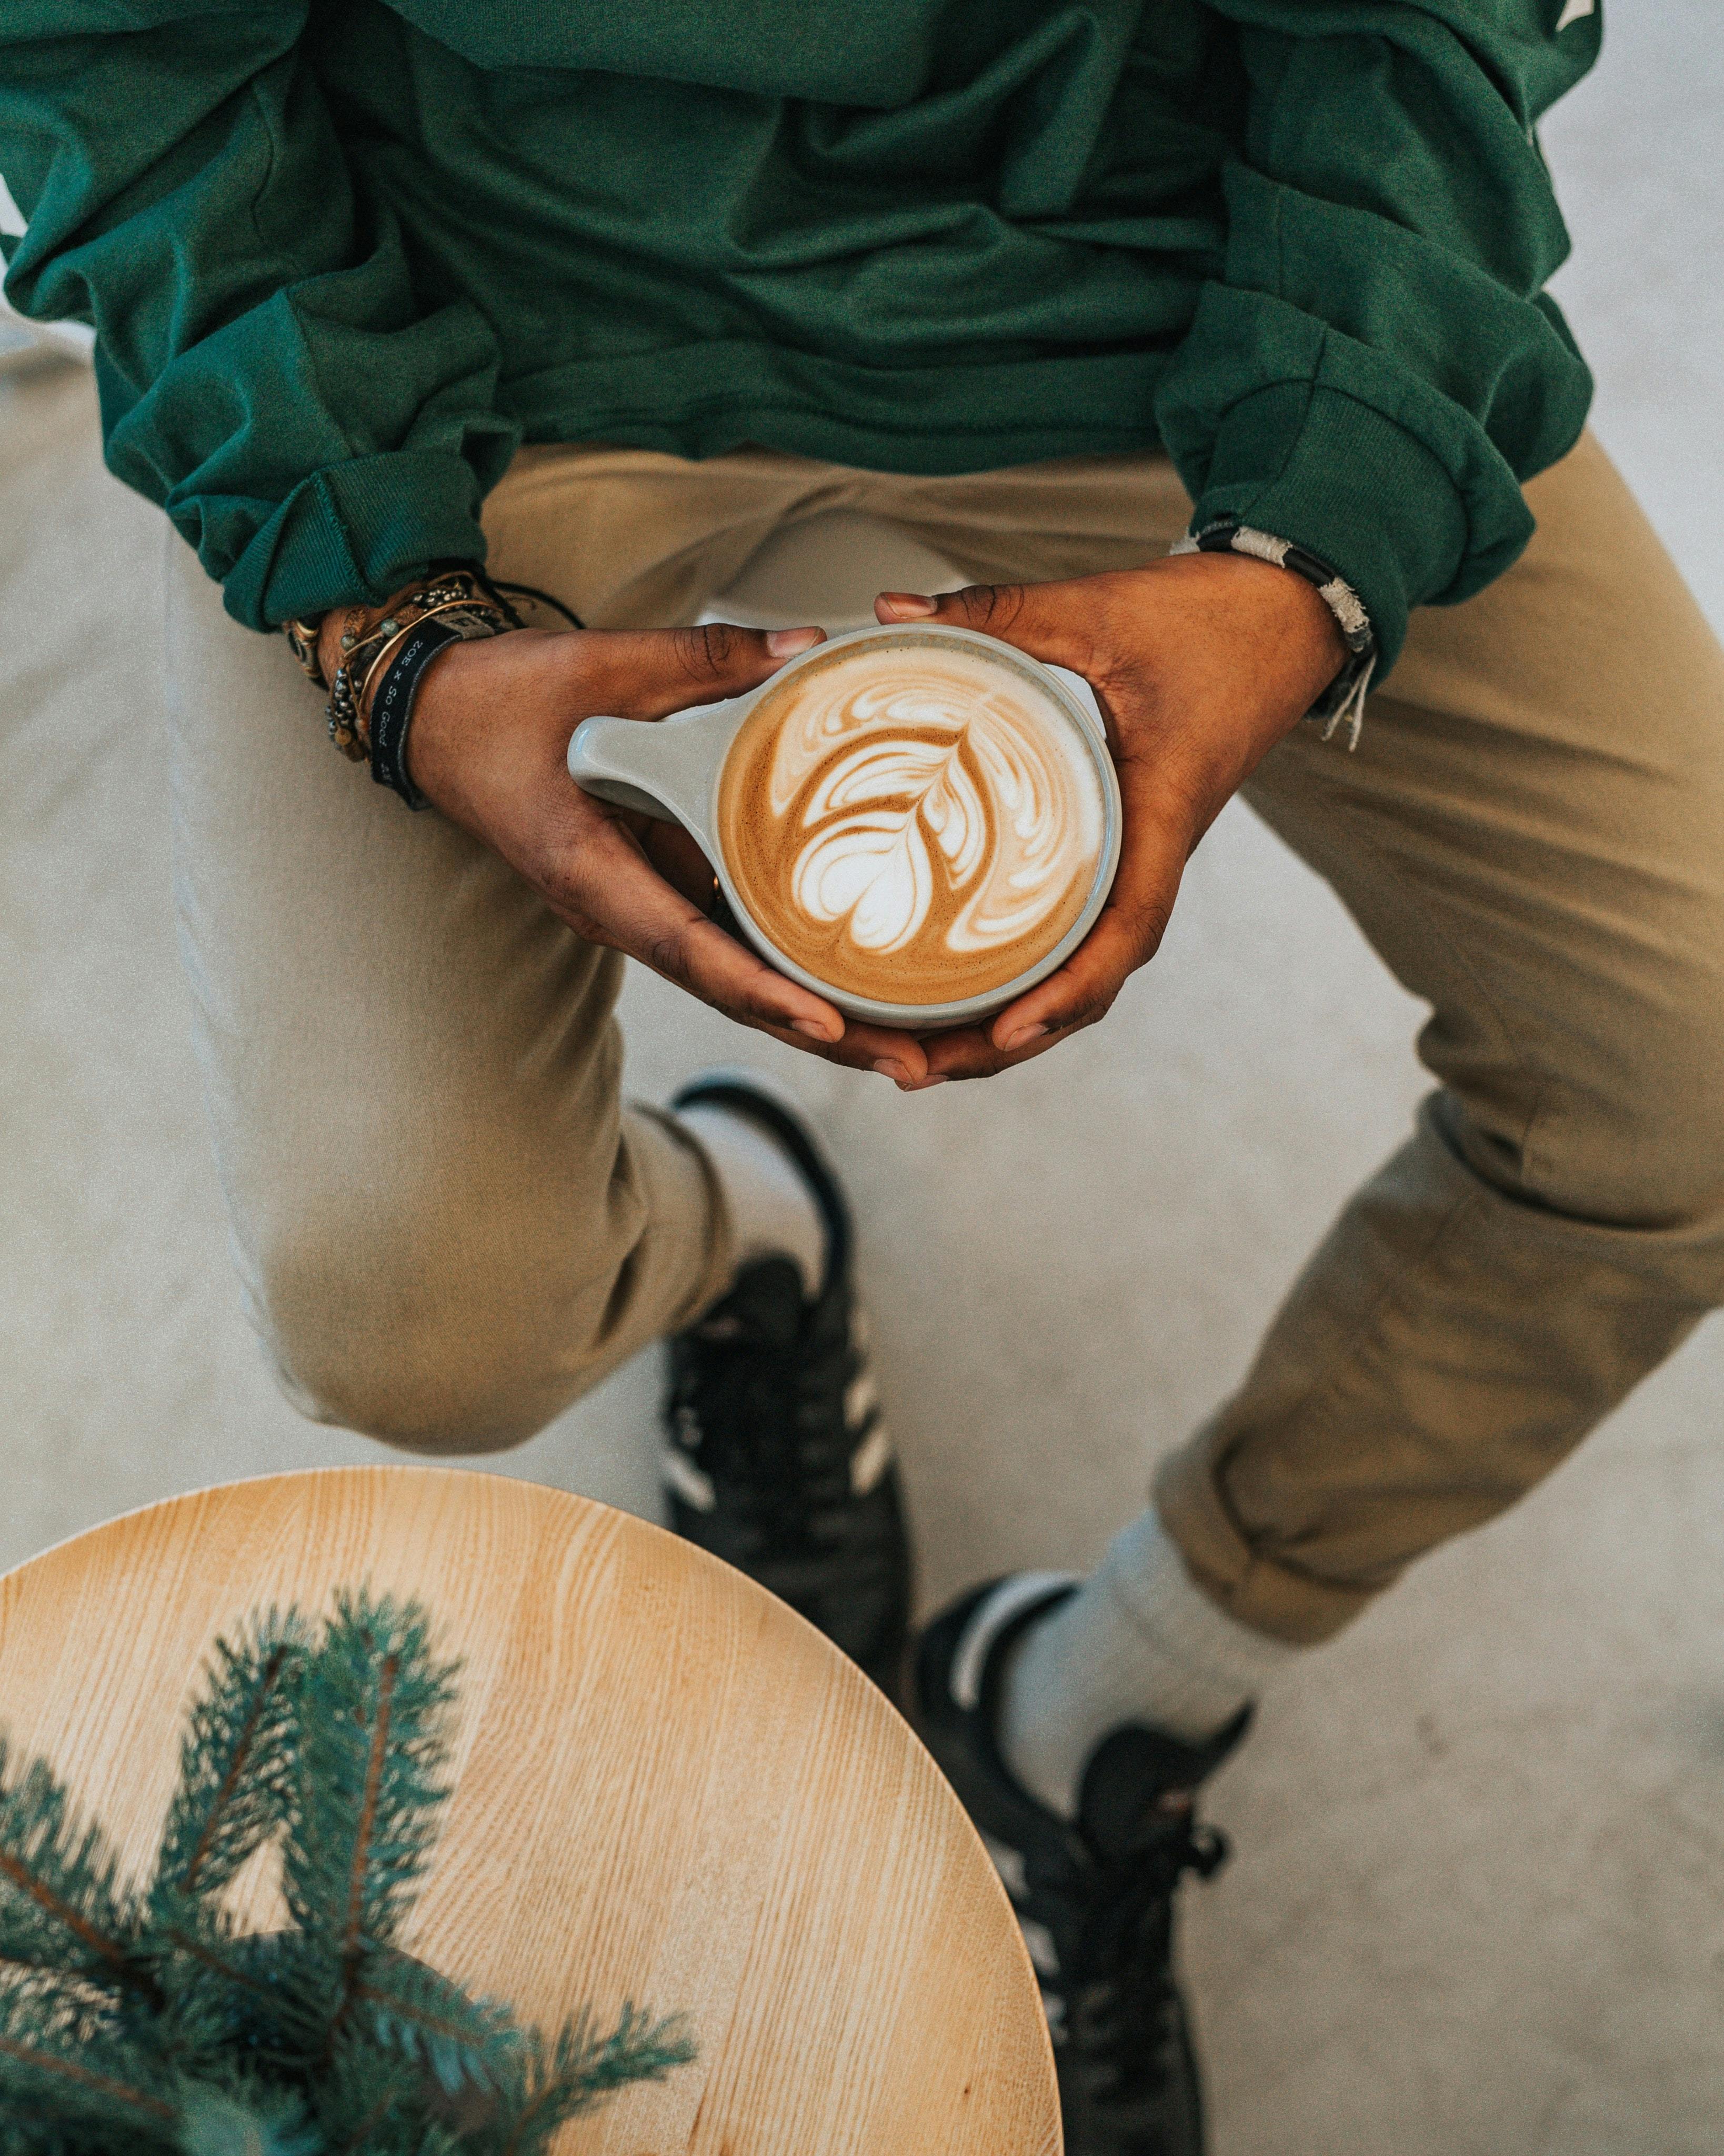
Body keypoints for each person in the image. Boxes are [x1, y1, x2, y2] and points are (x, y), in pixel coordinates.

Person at [8, 4, 1723, 2149]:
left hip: (1163, 258)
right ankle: (755, 1239)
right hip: (459, 300)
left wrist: (1320, 524)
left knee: (1694, 1083)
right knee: (411, 1304)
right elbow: (109, 50)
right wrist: (379, 612)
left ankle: (1089, 1704)